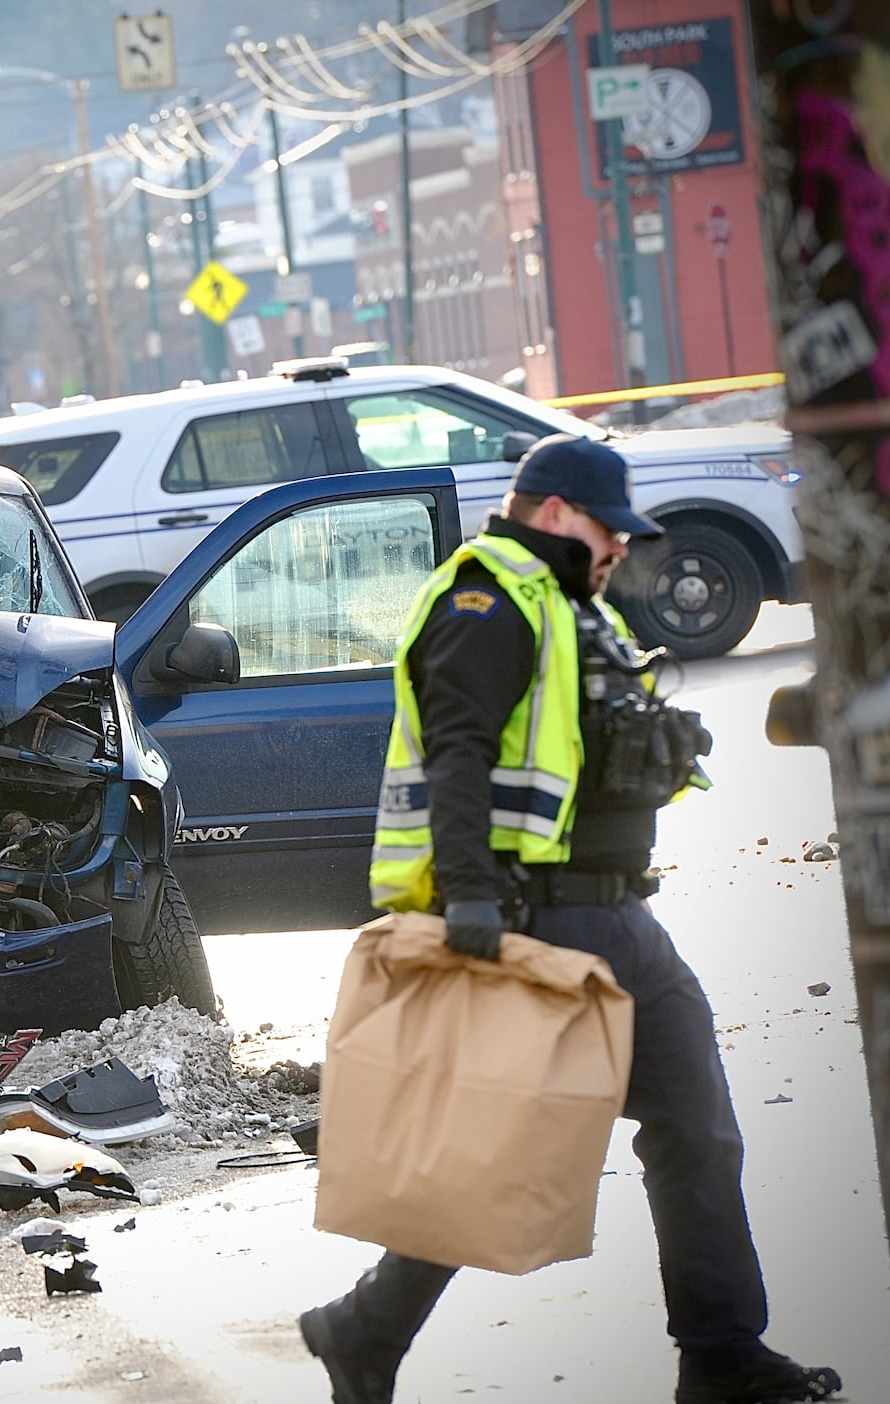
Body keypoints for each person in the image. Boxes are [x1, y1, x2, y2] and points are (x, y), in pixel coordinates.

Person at [300, 435, 842, 1404]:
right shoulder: (486, 599)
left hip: (615, 916)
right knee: (495, 1152)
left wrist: (659, 749)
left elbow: (579, 743)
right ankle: (364, 1328)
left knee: (694, 1120)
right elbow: (460, 755)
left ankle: (718, 1350)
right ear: (554, 513)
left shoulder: (562, 606)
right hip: (534, 918)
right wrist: (469, 895)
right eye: (606, 530)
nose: (617, 550)